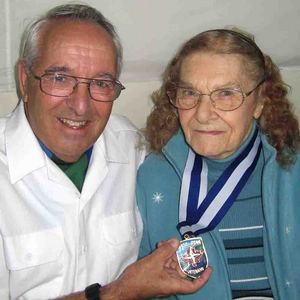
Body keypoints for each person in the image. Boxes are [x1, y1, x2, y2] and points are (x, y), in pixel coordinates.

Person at [0, 4, 212, 300]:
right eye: (60, 78)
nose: (81, 106)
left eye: (101, 84)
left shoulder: (132, 148)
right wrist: (117, 293)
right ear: (24, 80)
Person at [137, 28, 300, 299]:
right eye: (189, 93)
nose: (202, 114)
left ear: (259, 102)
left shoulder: (293, 176)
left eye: (225, 94)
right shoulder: (151, 180)